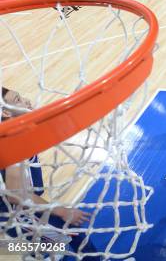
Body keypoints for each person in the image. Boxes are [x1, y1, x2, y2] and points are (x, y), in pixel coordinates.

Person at [0, 87, 100, 260]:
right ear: (6, 112)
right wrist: (61, 211)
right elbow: (16, 195)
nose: (26, 100)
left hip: (21, 203)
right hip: (14, 211)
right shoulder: (10, 140)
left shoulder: (16, 129)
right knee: (69, 235)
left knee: (53, 243)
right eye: (18, 99)